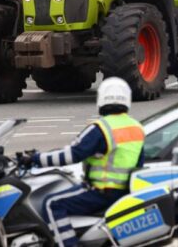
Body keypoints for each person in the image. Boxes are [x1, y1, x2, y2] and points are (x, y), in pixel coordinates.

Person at [31, 77, 144, 247]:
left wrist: (35, 159)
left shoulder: (101, 128)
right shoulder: (137, 128)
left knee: (51, 204)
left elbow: (72, 155)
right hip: (124, 193)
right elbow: (139, 163)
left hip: (100, 192)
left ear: (101, 99)